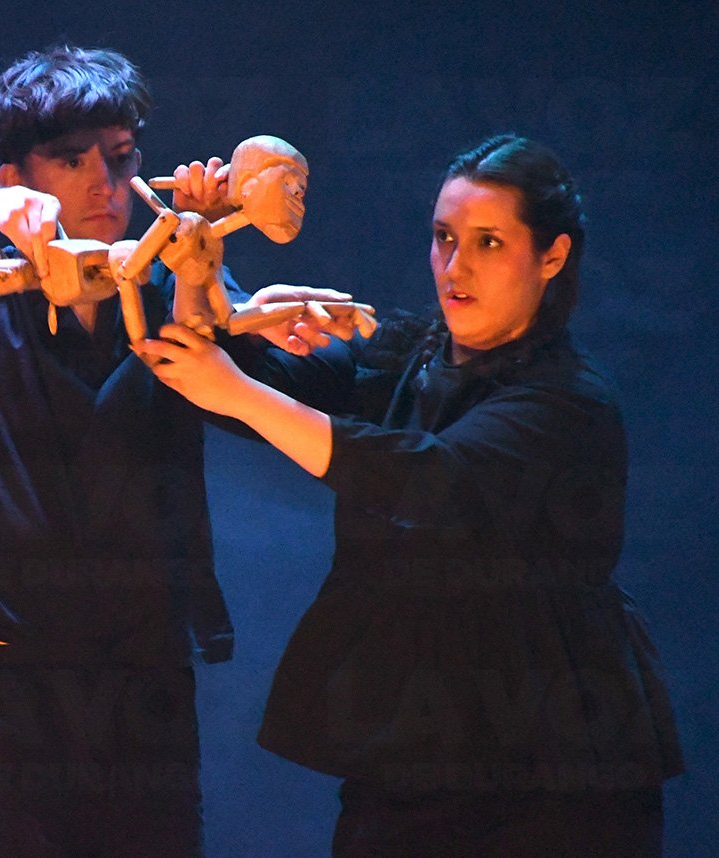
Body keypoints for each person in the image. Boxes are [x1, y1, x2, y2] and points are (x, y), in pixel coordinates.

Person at [0, 46, 347, 857]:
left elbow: (288, 391)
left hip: (145, 670)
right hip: (11, 675)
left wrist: (212, 246)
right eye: (72, 161)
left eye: (120, 160)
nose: (104, 186)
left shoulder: (168, 279)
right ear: (18, 176)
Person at [136, 134, 684, 856]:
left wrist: (238, 391)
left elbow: (427, 480)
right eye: (444, 237)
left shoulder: (567, 401)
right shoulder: (409, 354)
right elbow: (231, 381)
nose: (455, 267)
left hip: (552, 771)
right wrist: (197, 254)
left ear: (552, 256)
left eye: (489, 243)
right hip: (413, 759)